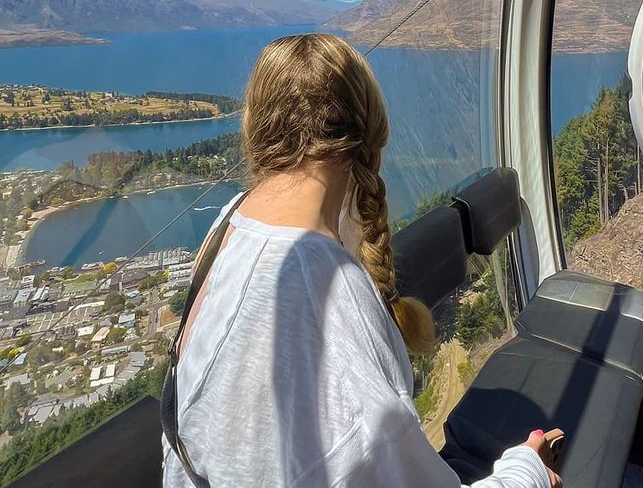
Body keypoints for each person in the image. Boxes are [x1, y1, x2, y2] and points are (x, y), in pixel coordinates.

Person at [162, 34, 563, 487]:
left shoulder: (227, 226)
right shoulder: (329, 294)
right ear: (372, 132)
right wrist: (530, 470)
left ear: (253, 123)